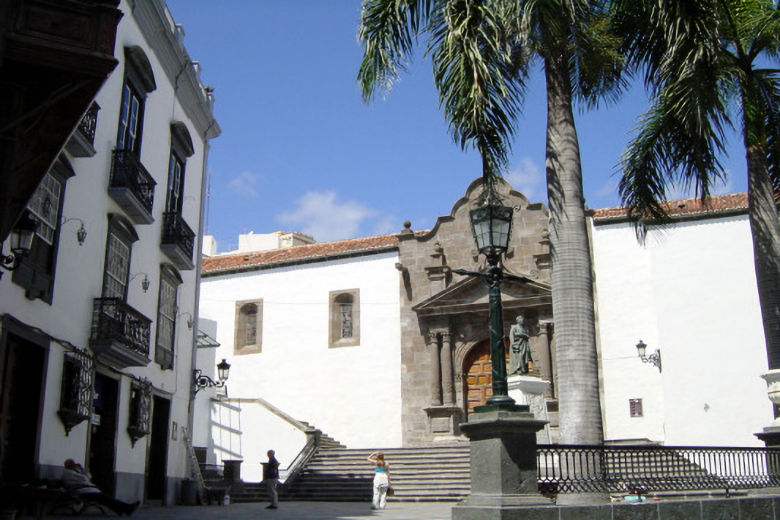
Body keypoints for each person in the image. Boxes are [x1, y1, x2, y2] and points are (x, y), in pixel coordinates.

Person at [61, 459, 139, 516]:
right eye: (72, 464)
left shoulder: (75, 472)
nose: (74, 465)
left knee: (105, 498)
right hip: (82, 492)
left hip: (88, 491)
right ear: (69, 465)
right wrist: (81, 472)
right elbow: (85, 478)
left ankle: (121, 509)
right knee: (105, 498)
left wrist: (82, 469)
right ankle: (127, 508)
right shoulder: (68, 473)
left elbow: (89, 476)